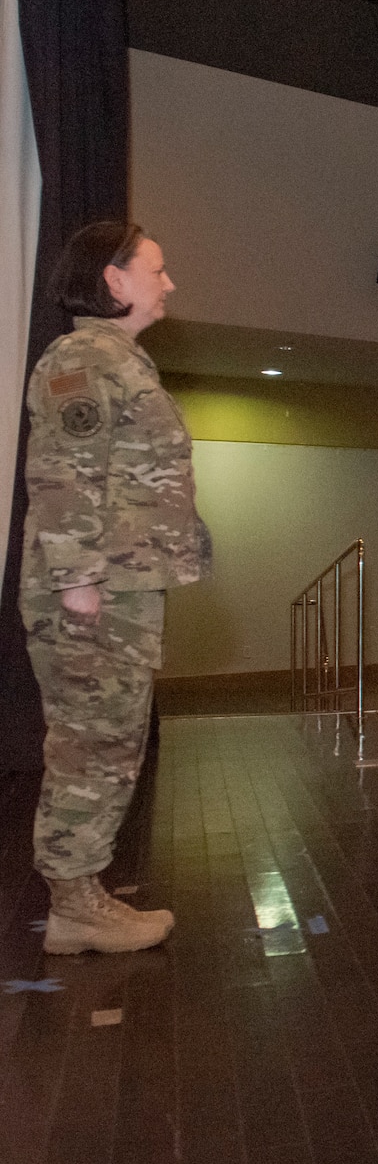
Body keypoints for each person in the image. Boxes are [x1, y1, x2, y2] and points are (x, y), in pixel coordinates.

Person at [21, 222, 209, 956]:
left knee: (109, 739)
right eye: (156, 270)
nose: (168, 284)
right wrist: (78, 583)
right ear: (114, 279)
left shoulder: (117, 361)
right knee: (93, 744)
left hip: (120, 587)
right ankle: (74, 903)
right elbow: (64, 471)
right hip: (95, 592)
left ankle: (80, 894)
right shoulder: (79, 359)